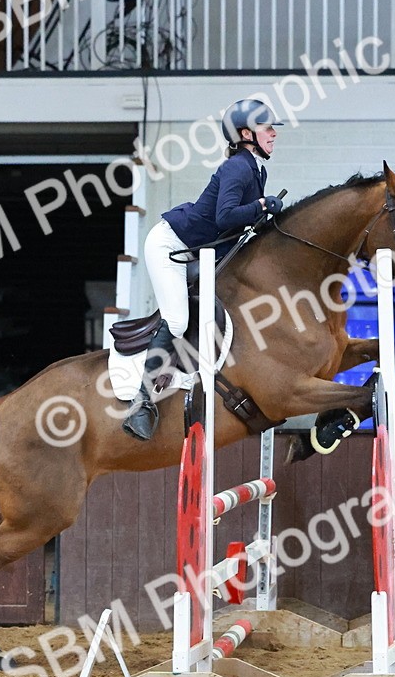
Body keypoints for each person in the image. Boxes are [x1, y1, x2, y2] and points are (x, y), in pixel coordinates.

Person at [122, 98, 285, 441]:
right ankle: (142, 402)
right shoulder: (238, 167)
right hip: (170, 245)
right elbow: (225, 217)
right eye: (267, 128)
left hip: (198, 251)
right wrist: (260, 205)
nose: (273, 133)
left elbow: (237, 225)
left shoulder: (256, 169)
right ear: (246, 134)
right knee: (177, 320)